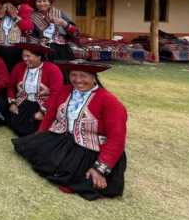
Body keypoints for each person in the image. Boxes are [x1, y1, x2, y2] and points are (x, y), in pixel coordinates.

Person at [12, 60, 128, 201]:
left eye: (83, 76)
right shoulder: (65, 90)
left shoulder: (110, 103)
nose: (78, 80)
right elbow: (49, 117)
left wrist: (100, 170)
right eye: (74, 75)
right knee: (28, 148)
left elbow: (117, 139)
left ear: (93, 77)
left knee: (71, 178)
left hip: (92, 150)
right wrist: (39, 138)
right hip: (64, 138)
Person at [6, 42, 64, 137]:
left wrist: (42, 111)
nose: (25, 59)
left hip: (43, 104)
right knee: (15, 124)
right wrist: (12, 103)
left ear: (39, 57)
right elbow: (10, 85)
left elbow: (57, 93)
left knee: (35, 128)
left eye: (28, 56)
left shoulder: (52, 69)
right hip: (23, 102)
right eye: (23, 56)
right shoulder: (19, 66)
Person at [27, 0, 80, 75]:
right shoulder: (31, 17)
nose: (42, 4)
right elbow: (30, 35)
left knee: (63, 74)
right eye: (39, 1)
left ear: (49, 2)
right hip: (41, 51)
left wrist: (64, 24)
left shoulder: (58, 13)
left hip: (61, 51)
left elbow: (74, 32)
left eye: (45, 1)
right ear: (35, 3)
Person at [0, 0, 34, 73]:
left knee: (15, 71)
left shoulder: (22, 14)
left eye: (10, 5)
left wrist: (15, 17)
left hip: (16, 50)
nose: (8, 7)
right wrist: (0, 16)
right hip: (0, 49)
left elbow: (29, 29)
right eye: (6, 5)